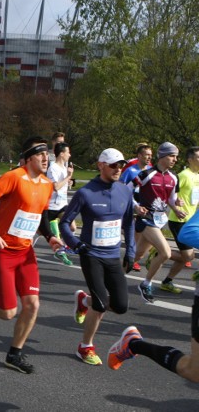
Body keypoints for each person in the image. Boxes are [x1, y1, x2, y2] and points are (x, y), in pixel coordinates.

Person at [0, 136, 64, 374]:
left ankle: (14, 354)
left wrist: (50, 237)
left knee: (32, 304)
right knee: (7, 313)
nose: (45, 159)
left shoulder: (47, 184)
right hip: (3, 251)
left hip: (26, 253)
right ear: (29, 158)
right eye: (40, 155)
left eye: (47, 155)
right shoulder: (14, 177)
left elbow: (42, 216)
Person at [59, 148, 135, 366]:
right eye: (113, 165)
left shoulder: (125, 191)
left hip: (113, 255)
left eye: (121, 165)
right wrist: (75, 244)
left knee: (120, 306)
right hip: (90, 254)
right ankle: (85, 346)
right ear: (101, 165)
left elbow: (129, 223)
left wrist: (130, 250)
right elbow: (65, 223)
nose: (118, 169)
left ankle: (84, 301)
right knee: (101, 304)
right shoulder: (86, 193)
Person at [107, 210, 199, 382]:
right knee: (194, 371)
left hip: (156, 218)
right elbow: (190, 232)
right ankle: (133, 344)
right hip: (149, 219)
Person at [131, 142, 183, 303]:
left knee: (137, 255)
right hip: (146, 219)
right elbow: (125, 190)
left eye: (176, 156)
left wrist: (176, 207)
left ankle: (112, 277)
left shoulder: (173, 177)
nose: (175, 159)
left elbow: (171, 198)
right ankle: (146, 284)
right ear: (162, 156)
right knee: (166, 253)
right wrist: (136, 207)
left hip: (159, 220)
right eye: (171, 156)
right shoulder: (147, 174)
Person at [159, 146, 199, 293]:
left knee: (187, 257)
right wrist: (176, 204)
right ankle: (161, 252)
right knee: (188, 256)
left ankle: (167, 280)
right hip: (179, 220)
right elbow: (168, 193)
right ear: (190, 160)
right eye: (198, 157)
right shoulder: (183, 175)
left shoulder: (197, 176)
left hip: (192, 221)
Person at [120, 143, 153, 272]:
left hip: (144, 205)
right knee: (135, 233)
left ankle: (135, 257)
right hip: (131, 204)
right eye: (146, 155)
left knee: (142, 233)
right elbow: (122, 188)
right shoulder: (130, 171)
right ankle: (131, 258)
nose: (149, 158)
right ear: (139, 156)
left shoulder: (150, 169)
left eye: (151, 155)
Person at [46, 142, 76, 265]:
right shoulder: (52, 168)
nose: (70, 154)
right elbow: (56, 187)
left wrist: (69, 182)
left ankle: (61, 248)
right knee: (39, 232)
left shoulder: (65, 167)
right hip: (50, 206)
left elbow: (63, 184)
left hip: (62, 204)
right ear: (62, 153)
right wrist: (68, 177)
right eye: (68, 152)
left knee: (72, 226)